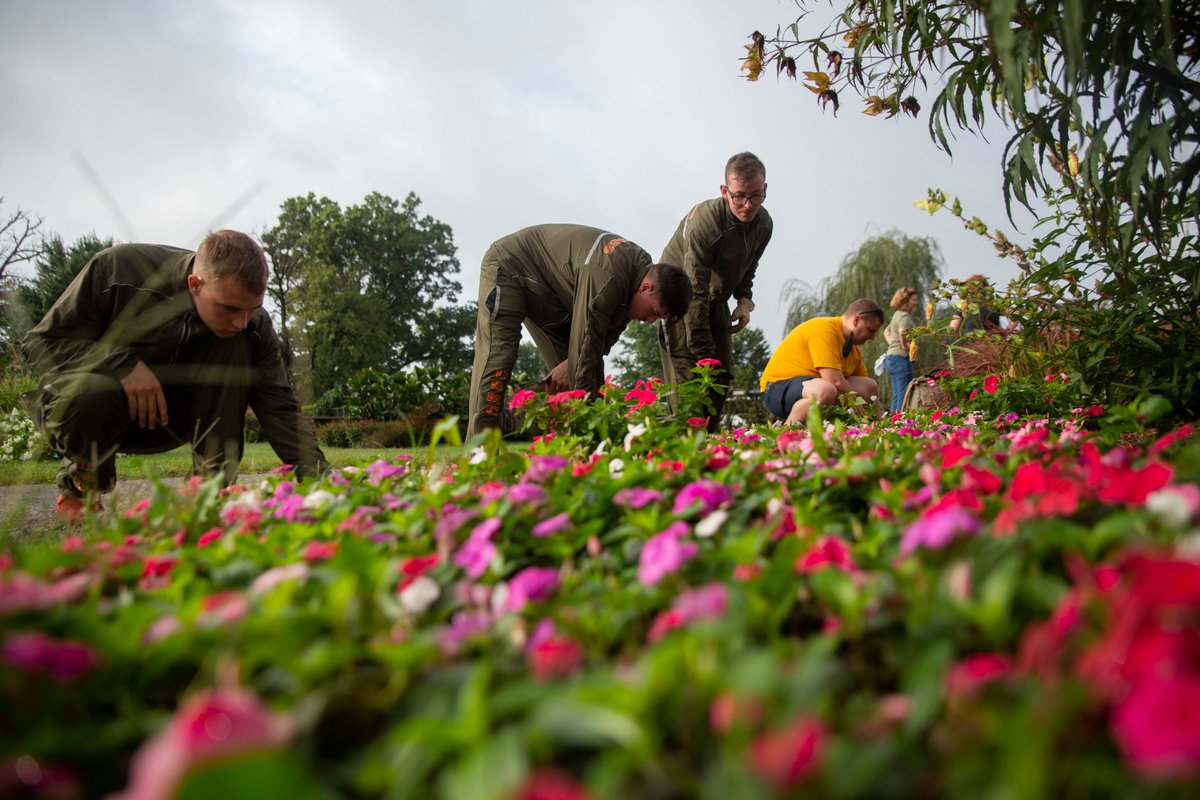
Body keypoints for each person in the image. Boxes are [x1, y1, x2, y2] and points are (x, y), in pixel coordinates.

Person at [22, 230, 329, 521]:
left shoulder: (250, 325)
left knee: (236, 344)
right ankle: (81, 489)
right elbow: (41, 344)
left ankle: (209, 490)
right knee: (90, 392)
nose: (241, 321)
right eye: (229, 308)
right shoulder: (118, 270)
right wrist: (121, 364)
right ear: (195, 284)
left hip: (174, 415)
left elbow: (279, 407)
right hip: (97, 409)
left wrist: (325, 479)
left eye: (252, 309)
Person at [467, 224, 690, 437]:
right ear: (647, 287)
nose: (650, 321)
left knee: (584, 377)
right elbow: (585, 346)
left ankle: (577, 454)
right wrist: (575, 368)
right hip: (511, 268)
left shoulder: (634, 277)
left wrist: (571, 366)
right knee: (499, 356)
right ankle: (479, 457)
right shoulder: (608, 276)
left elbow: (598, 344)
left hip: (551, 297)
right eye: (655, 312)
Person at [658, 152, 773, 431]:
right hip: (678, 299)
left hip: (714, 298)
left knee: (720, 379)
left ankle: (709, 453)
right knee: (691, 381)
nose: (748, 205)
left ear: (765, 189)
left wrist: (744, 299)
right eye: (739, 196)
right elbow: (693, 292)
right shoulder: (706, 223)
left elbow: (748, 267)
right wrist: (703, 353)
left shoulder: (764, 225)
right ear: (725, 191)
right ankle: (678, 456)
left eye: (756, 196)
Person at [759, 299, 884, 425]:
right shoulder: (824, 330)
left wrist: (883, 423)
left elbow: (865, 393)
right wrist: (863, 419)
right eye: (871, 330)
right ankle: (785, 432)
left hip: (813, 388)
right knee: (826, 390)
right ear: (856, 320)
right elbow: (834, 380)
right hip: (776, 389)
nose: (873, 337)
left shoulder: (853, 348)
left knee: (869, 386)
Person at [882, 287, 919, 412]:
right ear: (906, 301)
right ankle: (900, 421)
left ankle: (893, 420)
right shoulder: (905, 316)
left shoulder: (896, 315)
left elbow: (886, 332)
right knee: (905, 393)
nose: (916, 303)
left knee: (898, 394)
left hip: (891, 357)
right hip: (901, 358)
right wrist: (904, 346)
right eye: (914, 300)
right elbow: (902, 331)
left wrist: (893, 344)